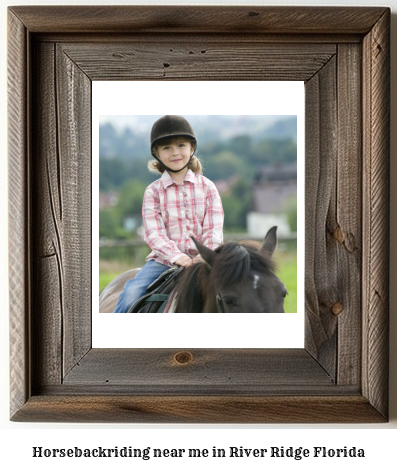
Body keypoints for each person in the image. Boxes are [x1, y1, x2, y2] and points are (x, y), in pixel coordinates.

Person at [113, 115, 224, 312]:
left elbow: (214, 229)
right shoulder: (153, 191)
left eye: (181, 145)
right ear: (156, 153)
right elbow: (153, 233)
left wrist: (204, 255)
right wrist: (176, 256)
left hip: (205, 261)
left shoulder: (208, 188)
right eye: (166, 148)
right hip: (164, 262)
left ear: (192, 148)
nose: (175, 153)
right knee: (130, 294)